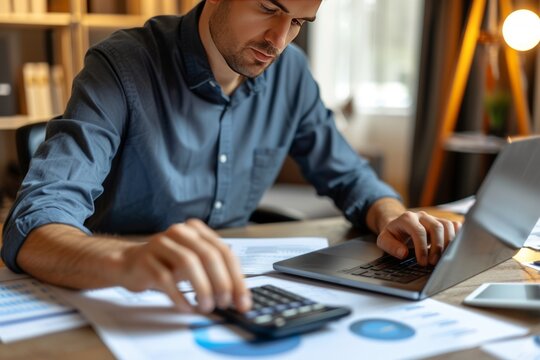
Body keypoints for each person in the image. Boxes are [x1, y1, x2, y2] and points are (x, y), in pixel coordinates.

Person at [1, 0, 459, 314]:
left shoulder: (291, 75)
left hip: (236, 296)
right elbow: (34, 223)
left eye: (299, 21)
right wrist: (127, 261)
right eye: (267, 8)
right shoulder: (122, 65)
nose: (279, 39)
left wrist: (393, 215)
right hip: (126, 295)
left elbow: (350, 175)